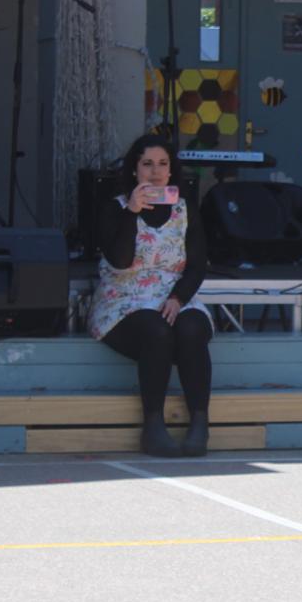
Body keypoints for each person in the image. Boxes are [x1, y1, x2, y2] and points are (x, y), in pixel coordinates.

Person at [88, 135, 213, 458]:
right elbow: (120, 261)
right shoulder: (114, 208)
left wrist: (178, 298)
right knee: (157, 331)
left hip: (172, 294)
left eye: (162, 164)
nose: (155, 172)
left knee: (192, 328)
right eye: (147, 164)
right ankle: (154, 427)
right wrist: (132, 213)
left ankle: (200, 423)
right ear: (135, 170)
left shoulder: (185, 208)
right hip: (125, 297)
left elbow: (197, 264)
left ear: (171, 171)